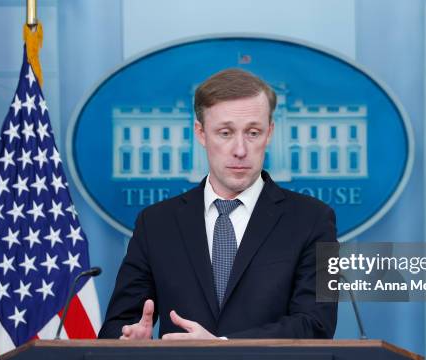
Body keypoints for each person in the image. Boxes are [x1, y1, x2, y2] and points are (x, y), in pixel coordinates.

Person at [98, 68, 337, 340]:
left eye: (253, 132)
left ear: (269, 133)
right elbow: (117, 324)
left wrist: (222, 346)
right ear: (201, 133)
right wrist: (128, 340)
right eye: (225, 133)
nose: (240, 149)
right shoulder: (154, 223)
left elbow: (318, 325)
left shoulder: (317, 220)